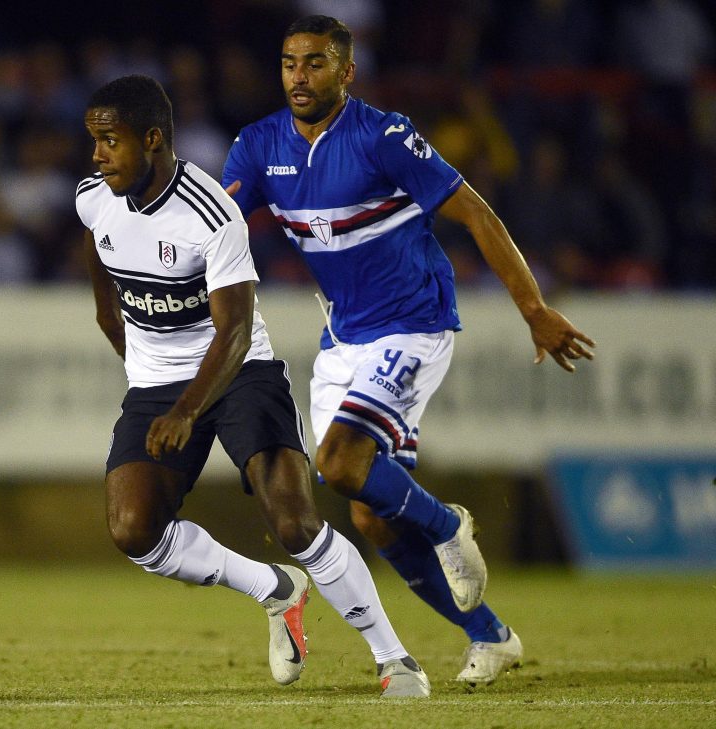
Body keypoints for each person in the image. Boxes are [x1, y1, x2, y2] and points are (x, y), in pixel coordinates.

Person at [222, 15, 596, 685]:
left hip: (414, 322)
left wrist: (533, 309)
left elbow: (478, 212)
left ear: (346, 71)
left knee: (338, 463)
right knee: (369, 512)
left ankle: (449, 524)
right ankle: (491, 633)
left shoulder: (383, 136)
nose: (298, 76)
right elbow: (215, 228)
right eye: (288, 63)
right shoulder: (257, 146)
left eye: (314, 63)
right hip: (342, 337)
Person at [75, 74, 431, 697]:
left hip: (239, 374)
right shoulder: (94, 199)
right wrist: (147, 377)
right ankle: (275, 590)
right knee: (134, 531)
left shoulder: (211, 213)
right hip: (162, 387)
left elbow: (234, 331)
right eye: (94, 141)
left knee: (296, 524)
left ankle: (394, 659)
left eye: (110, 141)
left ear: (153, 139)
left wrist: (187, 410)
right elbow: (107, 302)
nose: (98, 155)